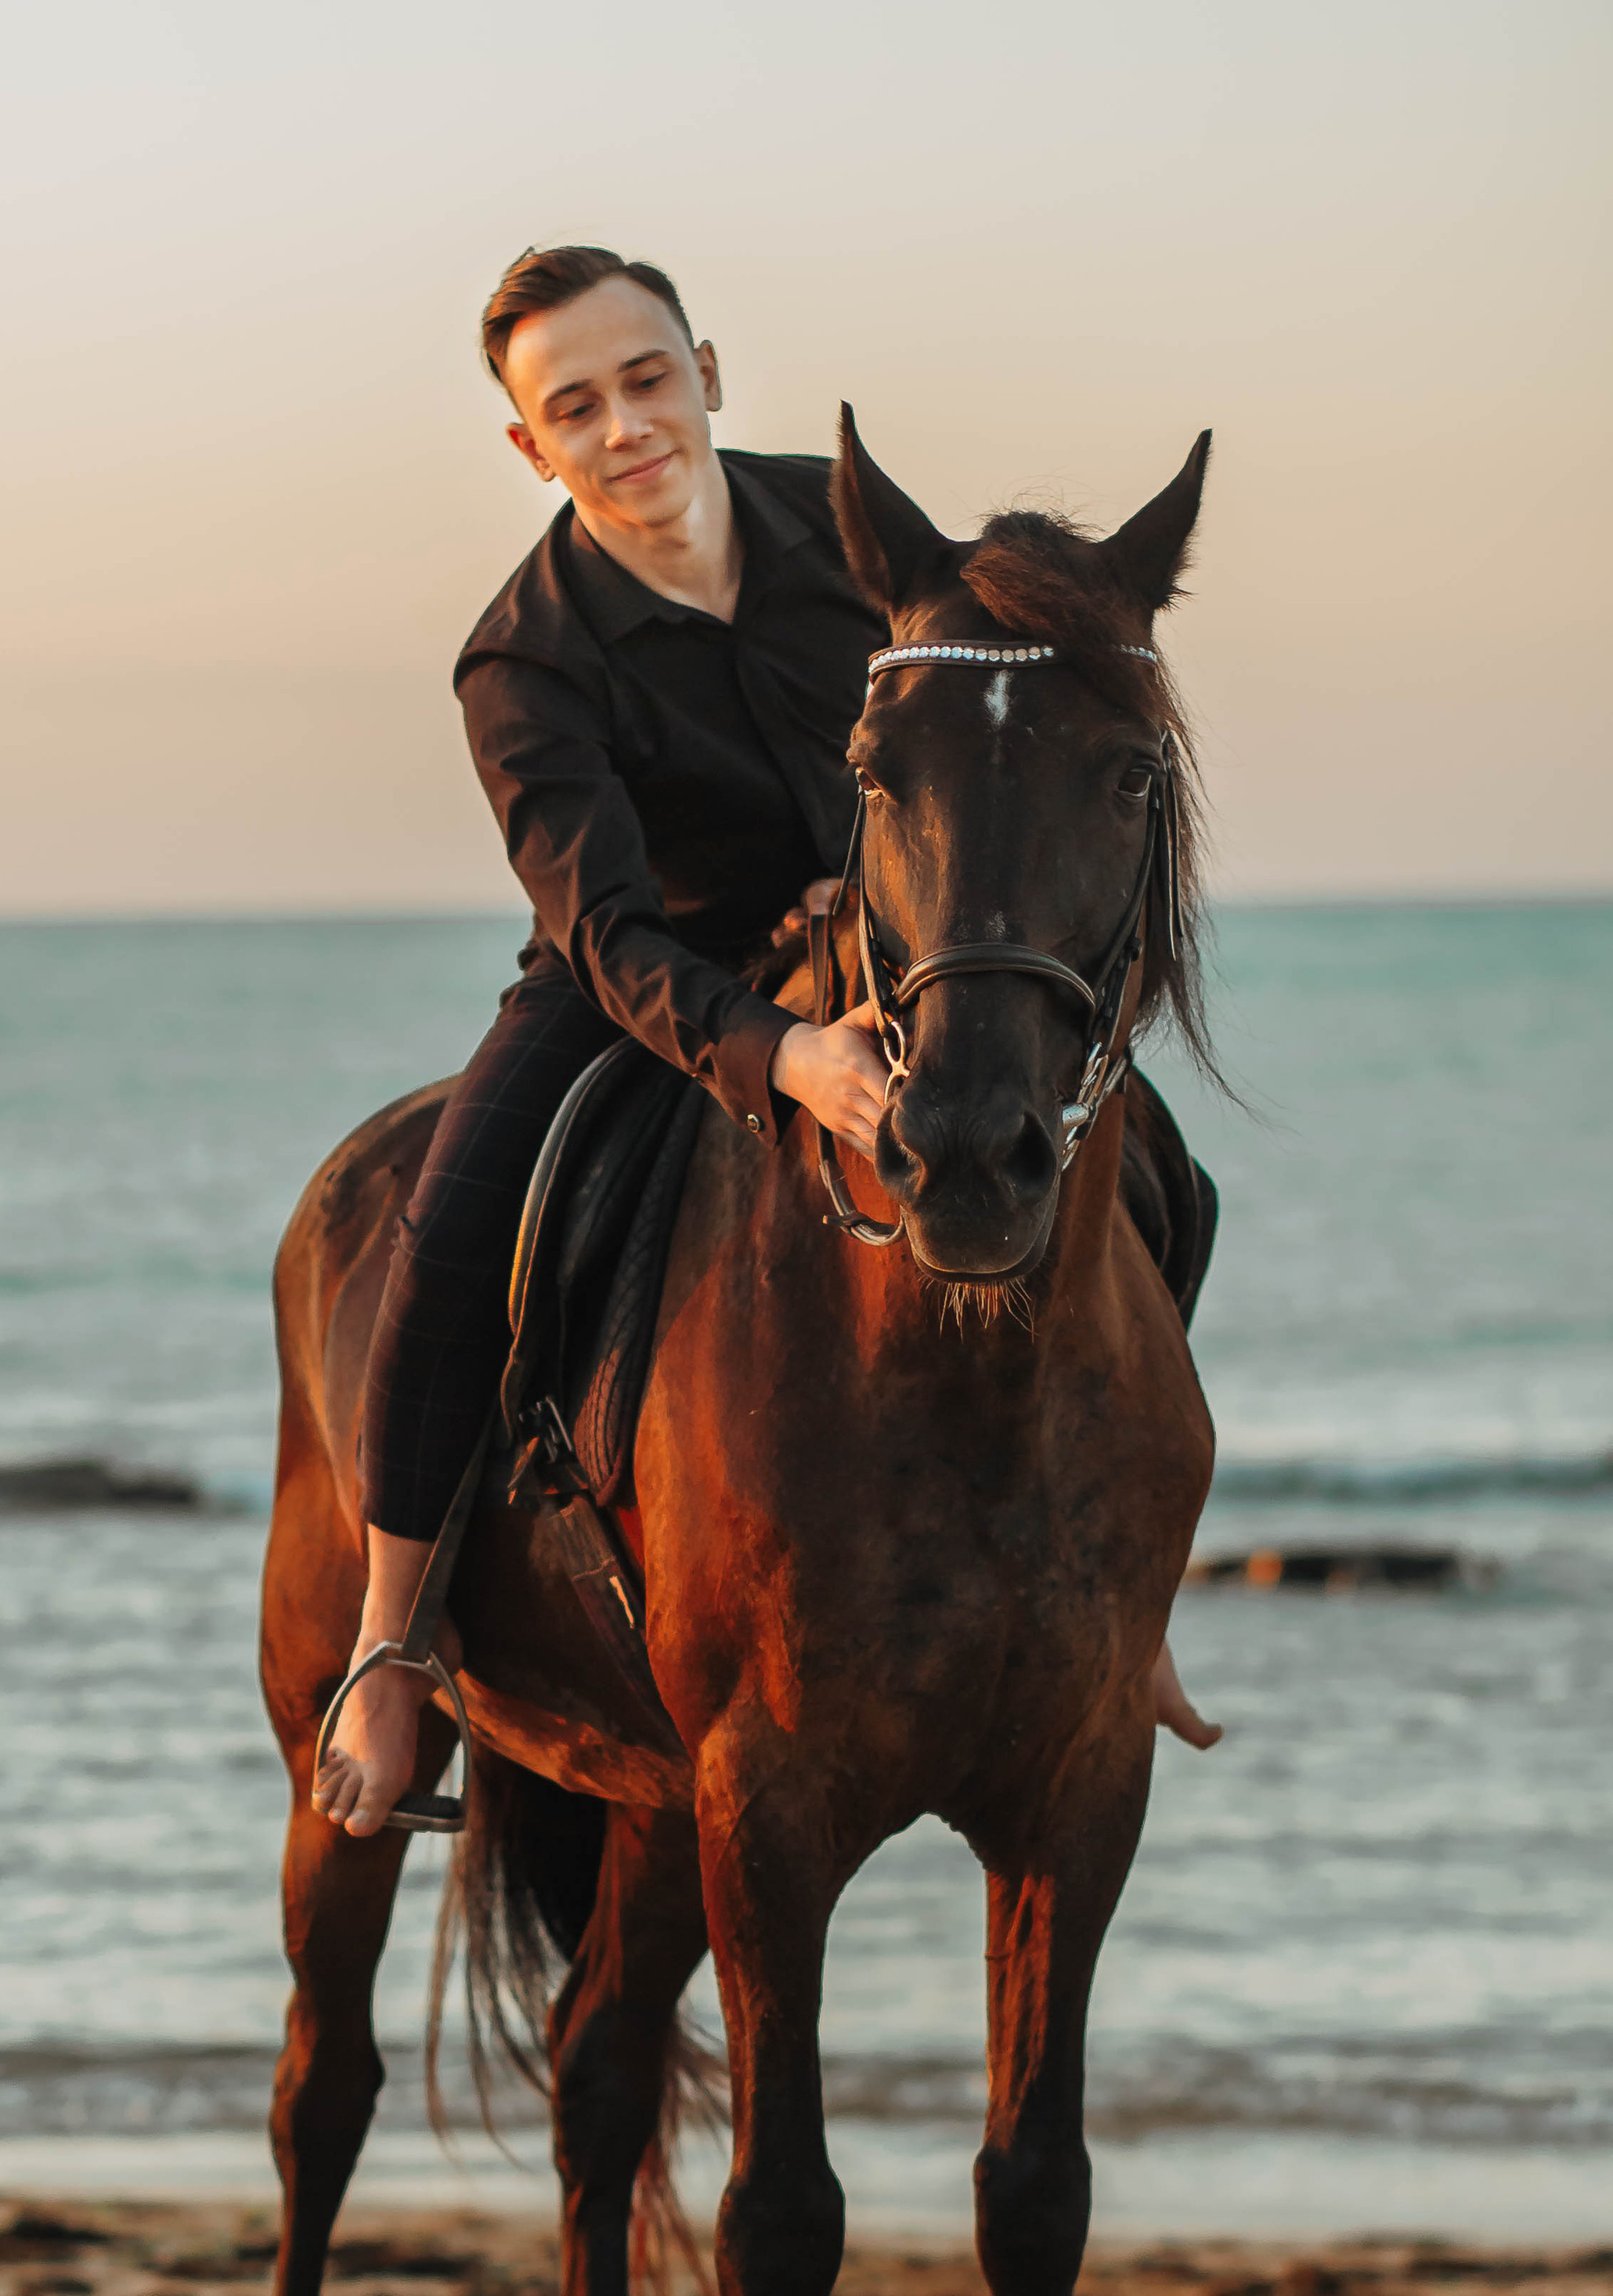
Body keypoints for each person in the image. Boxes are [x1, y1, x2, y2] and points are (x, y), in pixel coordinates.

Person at [313, 245, 1219, 1839]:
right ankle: (393, 1646)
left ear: (707, 373)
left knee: (1165, 1183)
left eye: (645, 380)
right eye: (573, 407)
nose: (624, 426)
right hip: (640, 982)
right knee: (446, 1238)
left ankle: (1114, 1600)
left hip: (892, 947)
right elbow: (599, 928)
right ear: (532, 447)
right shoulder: (522, 654)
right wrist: (783, 1057)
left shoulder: (855, 537)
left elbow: (986, 723)